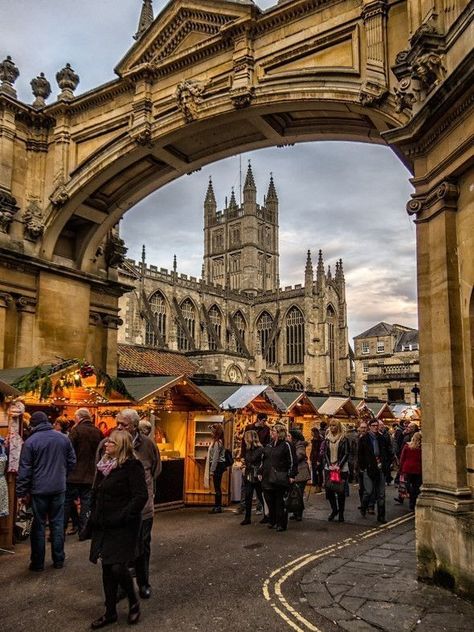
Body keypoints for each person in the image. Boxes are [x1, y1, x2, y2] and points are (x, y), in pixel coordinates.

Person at [89, 431, 148, 629]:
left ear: (121, 446)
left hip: (124, 526)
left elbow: (140, 496)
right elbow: (96, 492)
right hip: (104, 525)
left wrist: (124, 515)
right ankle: (110, 612)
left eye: (111, 443)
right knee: (107, 567)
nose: (106, 445)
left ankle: (133, 601)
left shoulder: (132, 466)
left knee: (117, 567)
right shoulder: (104, 466)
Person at [16, 411, 76, 572]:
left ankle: (37, 562)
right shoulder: (63, 439)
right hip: (58, 488)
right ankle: (58, 559)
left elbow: (25, 469)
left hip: (38, 489)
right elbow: (72, 461)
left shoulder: (30, 442)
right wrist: (62, 475)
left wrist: (21, 492)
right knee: (57, 524)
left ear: (33, 424)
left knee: (39, 526)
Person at [115, 409, 161, 600]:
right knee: (120, 549)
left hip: (143, 508)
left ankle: (143, 583)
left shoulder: (148, 445)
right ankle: (121, 586)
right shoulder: (110, 443)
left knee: (142, 547)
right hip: (119, 508)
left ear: (135, 426)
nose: (119, 427)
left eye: (123, 425)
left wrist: (145, 490)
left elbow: (156, 469)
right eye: (117, 423)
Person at [64, 408, 102, 539]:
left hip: (74, 475)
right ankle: (84, 531)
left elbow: (68, 451)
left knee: (67, 503)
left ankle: (59, 532)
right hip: (91, 474)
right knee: (86, 503)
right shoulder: (98, 432)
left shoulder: (75, 431)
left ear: (79, 418)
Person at [260, 424, 297, 532]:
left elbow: (292, 461)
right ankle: (272, 520)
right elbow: (264, 460)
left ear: (279, 433)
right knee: (269, 500)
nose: (271, 433)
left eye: (274, 431)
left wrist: (291, 475)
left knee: (280, 501)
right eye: (272, 431)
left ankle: (281, 523)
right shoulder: (269, 445)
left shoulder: (287, 445)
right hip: (267, 477)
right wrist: (260, 471)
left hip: (280, 477)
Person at [358, 418, 392, 524]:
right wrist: (363, 467)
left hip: (380, 468)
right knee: (368, 491)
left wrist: (386, 463)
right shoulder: (364, 439)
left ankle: (381, 516)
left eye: (377, 425)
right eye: (373, 425)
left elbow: (388, 451)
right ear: (369, 426)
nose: (375, 427)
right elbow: (360, 455)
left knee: (381, 494)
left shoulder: (382, 438)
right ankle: (364, 506)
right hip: (369, 468)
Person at [236, 413, 271, 514]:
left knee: (259, 487)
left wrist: (262, 452)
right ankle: (243, 506)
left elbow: (267, 443)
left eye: (265, 421)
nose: (265, 423)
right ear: (258, 420)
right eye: (263, 420)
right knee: (245, 485)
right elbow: (243, 442)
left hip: (259, 457)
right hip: (248, 456)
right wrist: (242, 456)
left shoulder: (266, 429)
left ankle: (260, 507)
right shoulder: (249, 427)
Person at [323, 418, 350, 522]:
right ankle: (334, 510)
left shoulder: (344, 438)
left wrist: (339, 465)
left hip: (341, 468)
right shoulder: (327, 438)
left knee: (340, 492)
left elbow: (346, 453)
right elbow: (325, 453)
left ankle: (341, 513)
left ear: (338, 427)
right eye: (330, 425)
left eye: (334, 426)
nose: (332, 427)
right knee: (329, 490)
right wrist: (329, 465)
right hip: (329, 467)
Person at [240, 430, 265, 525]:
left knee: (261, 496)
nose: (244, 440)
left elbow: (252, 459)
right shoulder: (249, 449)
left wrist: (245, 462)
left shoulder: (259, 449)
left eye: (246, 438)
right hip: (249, 475)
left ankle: (268, 515)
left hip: (257, 475)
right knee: (248, 496)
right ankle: (247, 518)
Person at [288, 428, 310, 521]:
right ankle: (295, 512)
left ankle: (299, 513)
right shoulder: (292, 445)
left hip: (301, 472)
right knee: (295, 493)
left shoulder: (299, 445)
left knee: (299, 494)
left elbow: (299, 456)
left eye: (289, 436)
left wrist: (289, 459)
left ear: (294, 438)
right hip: (296, 473)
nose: (287, 437)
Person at [399, 431, 422, 510]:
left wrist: (400, 469)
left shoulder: (407, 446)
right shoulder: (421, 448)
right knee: (416, 488)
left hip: (407, 468)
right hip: (417, 470)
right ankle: (412, 504)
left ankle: (409, 497)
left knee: (407, 485)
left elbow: (402, 458)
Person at [207, 423, 226, 514]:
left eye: (212, 431)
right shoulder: (219, 442)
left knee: (217, 486)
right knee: (217, 486)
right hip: (219, 465)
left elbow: (215, 457)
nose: (211, 433)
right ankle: (217, 506)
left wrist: (212, 470)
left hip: (218, 465)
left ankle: (217, 506)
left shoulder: (217, 443)